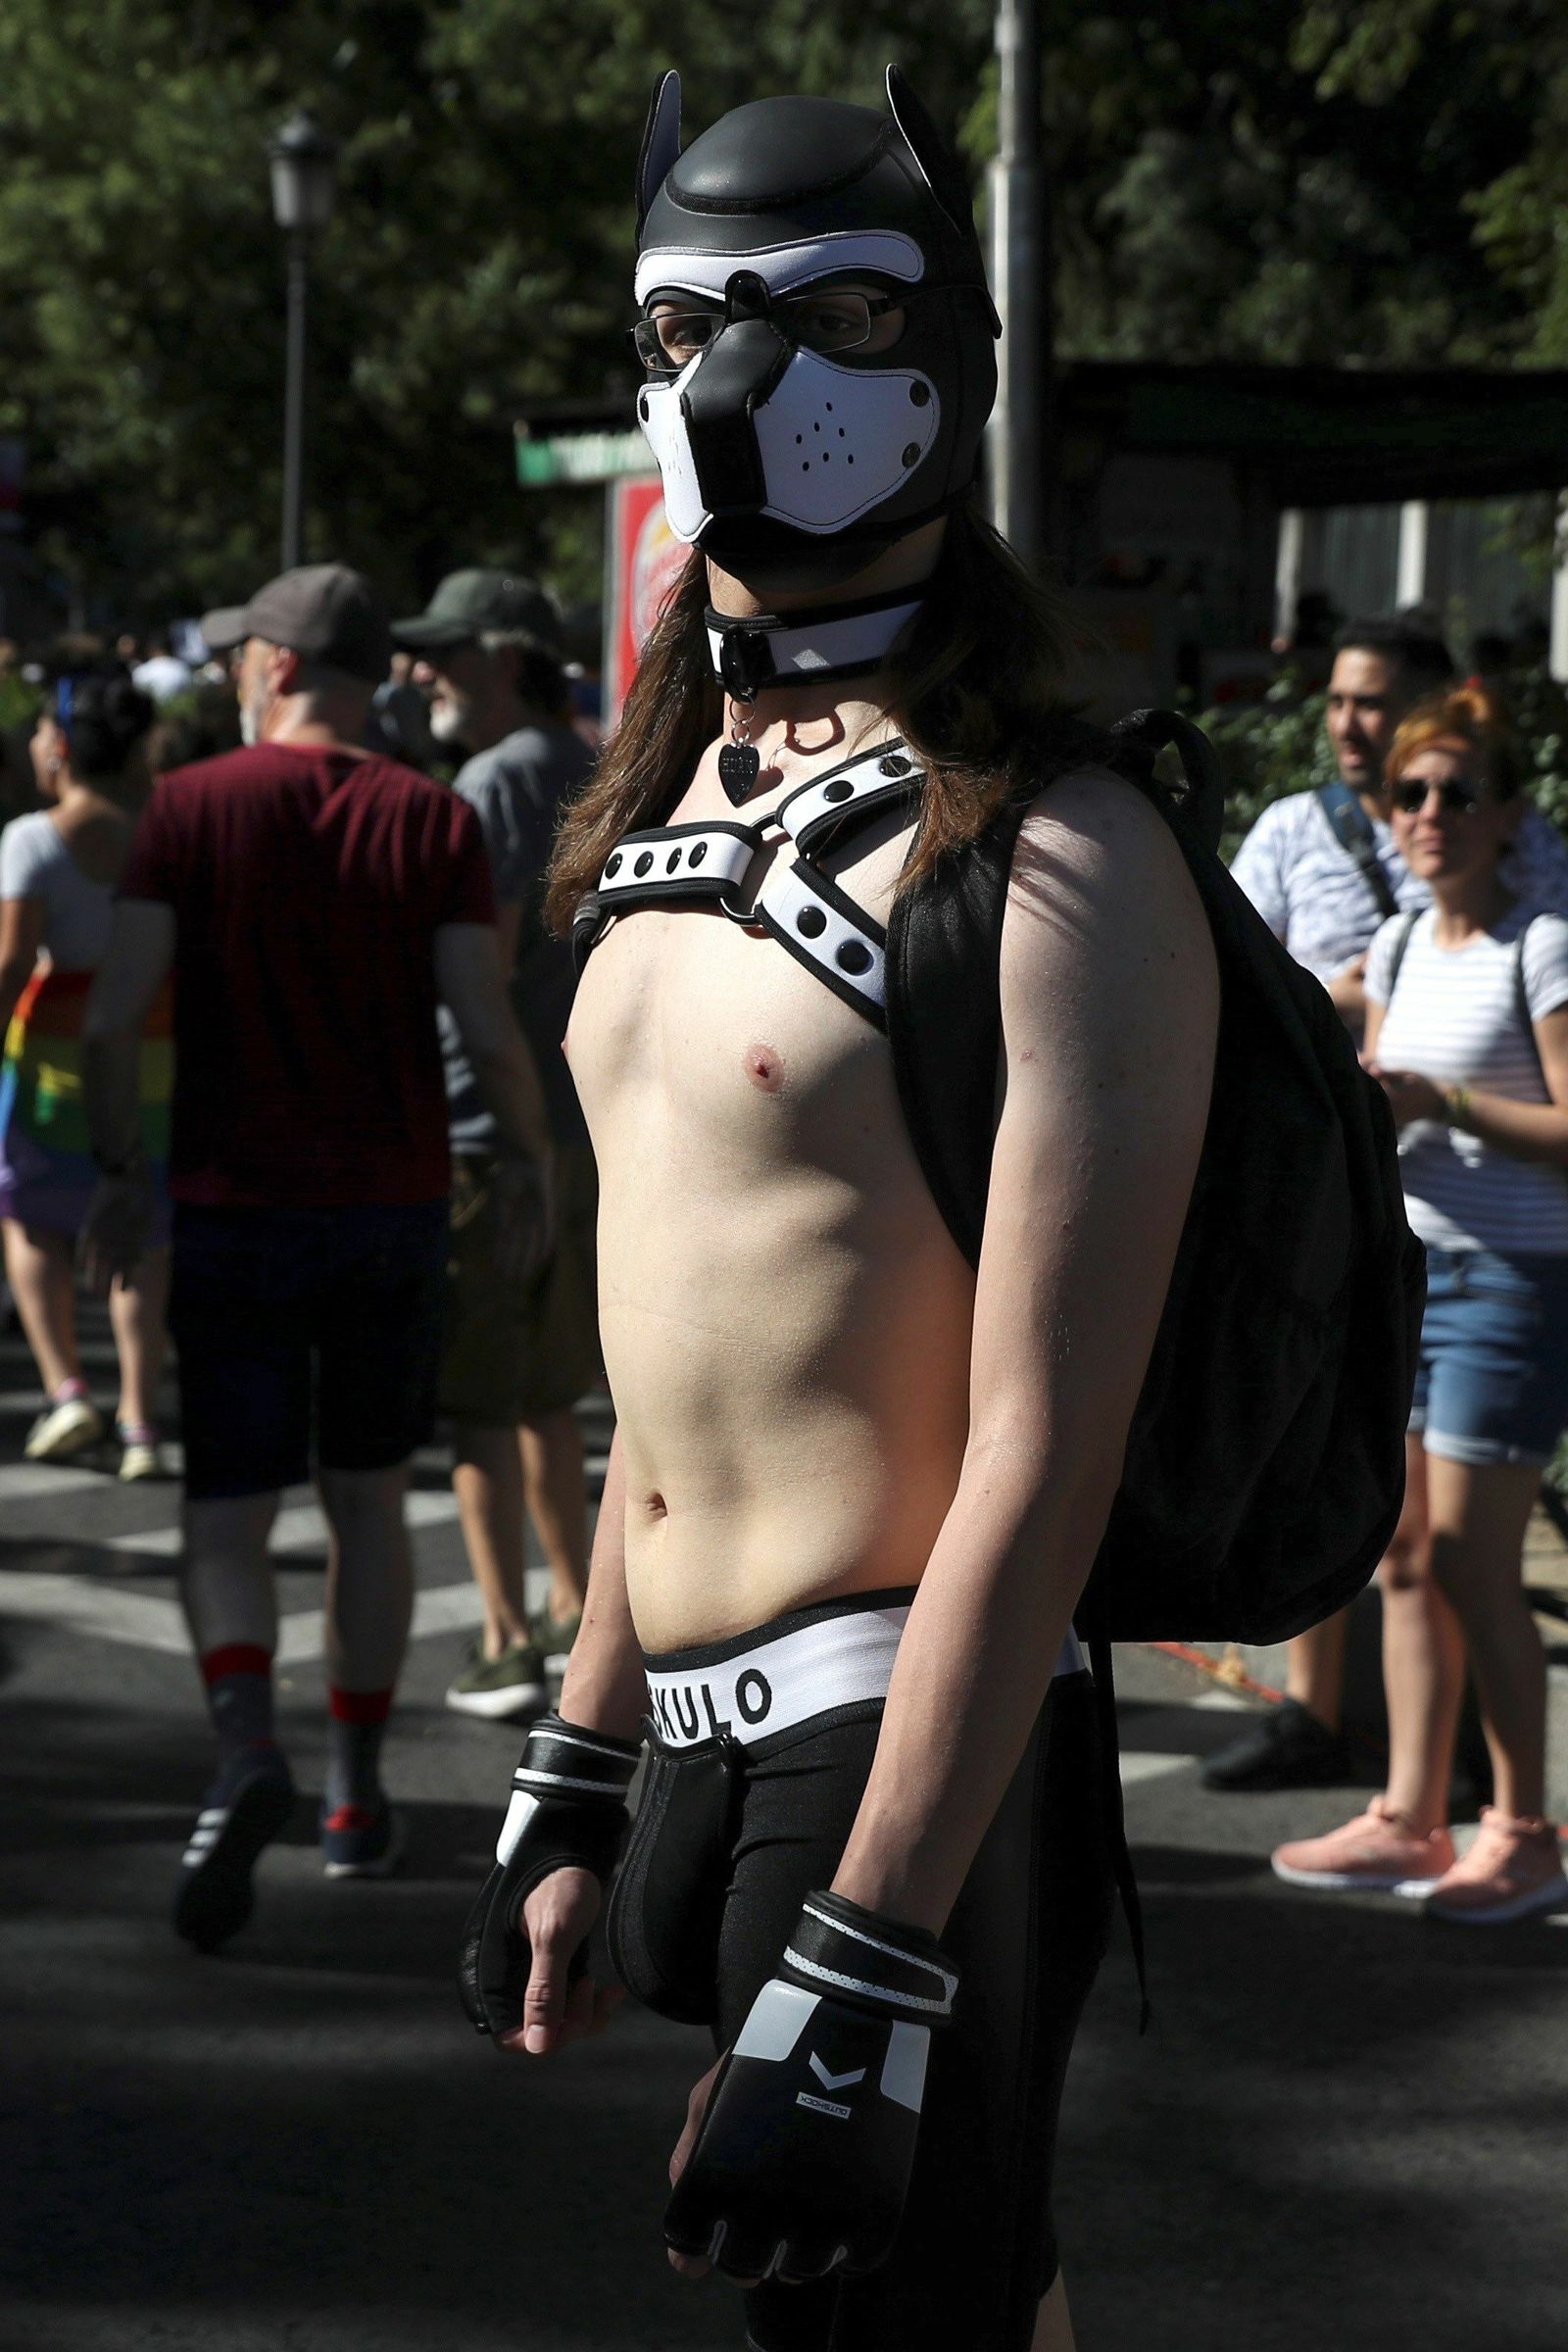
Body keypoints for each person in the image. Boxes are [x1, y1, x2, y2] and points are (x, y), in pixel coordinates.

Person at [460, 74, 1218, 2352]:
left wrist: (877, 1926)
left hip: (907, 1747)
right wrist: (583, 1742)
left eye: (819, 316)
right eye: (681, 319)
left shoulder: (1055, 853)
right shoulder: (650, 814)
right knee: (967, 2289)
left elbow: (1041, 1452)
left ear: (942, 362)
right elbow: (671, 1340)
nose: (727, 382)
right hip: (687, 1723)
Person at [78, 564, 552, 1948]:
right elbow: (484, 1017)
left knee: (226, 1510)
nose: (232, 674)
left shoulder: (189, 810)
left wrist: (120, 1173)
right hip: (390, 1207)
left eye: (241, 657)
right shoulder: (431, 816)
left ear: (280, 668)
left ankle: (244, 1751)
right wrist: (528, 1161)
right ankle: (353, 1791)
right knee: (362, 1506)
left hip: (234, 1208)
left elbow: (114, 1019)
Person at [1208, 612, 1568, 1792]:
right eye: (1344, 706)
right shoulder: (1395, 929)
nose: (1423, 809)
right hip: (1384, 1240)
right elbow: (1242, 988)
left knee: (1464, 1558)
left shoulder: (1536, 921)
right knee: (1398, 1543)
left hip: (1503, 1271)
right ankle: (1407, 1799)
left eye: (1451, 792)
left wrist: (1441, 1102)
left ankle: (1507, 1812)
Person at [392, 570, 598, 1720]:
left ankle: (506, 1634)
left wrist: (509, 1142)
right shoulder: (589, 759)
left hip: (492, 1128)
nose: (419, 670)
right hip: (572, 1119)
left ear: (506, 656)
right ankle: (569, 1604)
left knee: (480, 1400)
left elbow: (483, 972)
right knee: (549, 1390)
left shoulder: (488, 783)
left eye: (443, 649)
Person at [0, 669, 172, 1476]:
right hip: (156, 1053)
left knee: (33, 1216)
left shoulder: (34, 838)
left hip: (53, 1062)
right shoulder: (165, 826)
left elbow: (9, 964)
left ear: (62, 746)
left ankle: (67, 1388)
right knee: (142, 1233)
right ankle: (140, 1420)